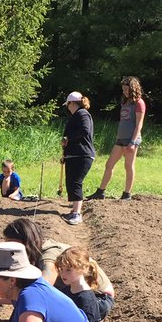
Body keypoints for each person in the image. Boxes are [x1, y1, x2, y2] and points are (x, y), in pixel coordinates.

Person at [88, 76, 146, 201]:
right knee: (109, 164)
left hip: (131, 140)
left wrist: (132, 142)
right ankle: (100, 192)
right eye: (123, 89)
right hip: (120, 139)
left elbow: (139, 124)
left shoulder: (139, 103)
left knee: (128, 166)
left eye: (127, 89)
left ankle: (126, 194)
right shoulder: (124, 102)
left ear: (133, 88)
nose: (125, 92)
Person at [54, 246, 114, 322]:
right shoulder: (66, 290)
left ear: (82, 269)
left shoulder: (86, 299)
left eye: (68, 270)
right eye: (61, 269)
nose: (63, 274)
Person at [61, 92, 94, 225]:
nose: (67, 108)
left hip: (82, 155)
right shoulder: (77, 115)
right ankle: (74, 210)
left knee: (75, 182)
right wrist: (65, 154)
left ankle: (77, 214)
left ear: (72, 103)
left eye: (68, 105)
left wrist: (68, 138)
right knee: (71, 182)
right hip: (74, 155)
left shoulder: (82, 114)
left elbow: (84, 130)